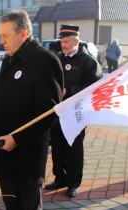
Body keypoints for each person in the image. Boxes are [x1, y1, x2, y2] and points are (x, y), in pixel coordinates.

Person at [0, 9, 63, 210]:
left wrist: (18, 139)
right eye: (0, 35)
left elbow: (48, 112)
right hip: (4, 149)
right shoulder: (11, 58)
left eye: (6, 35)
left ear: (23, 33)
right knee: (12, 207)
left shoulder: (45, 61)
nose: (1, 41)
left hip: (25, 154)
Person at [45, 24, 102, 198]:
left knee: (74, 149)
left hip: (77, 113)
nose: (64, 44)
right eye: (62, 41)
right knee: (58, 147)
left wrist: (68, 91)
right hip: (58, 112)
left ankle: (73, 183)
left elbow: (92, 88)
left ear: (77, 41)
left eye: (67, 41)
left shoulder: (88, 62)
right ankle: (59, 178)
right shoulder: (57, 59)